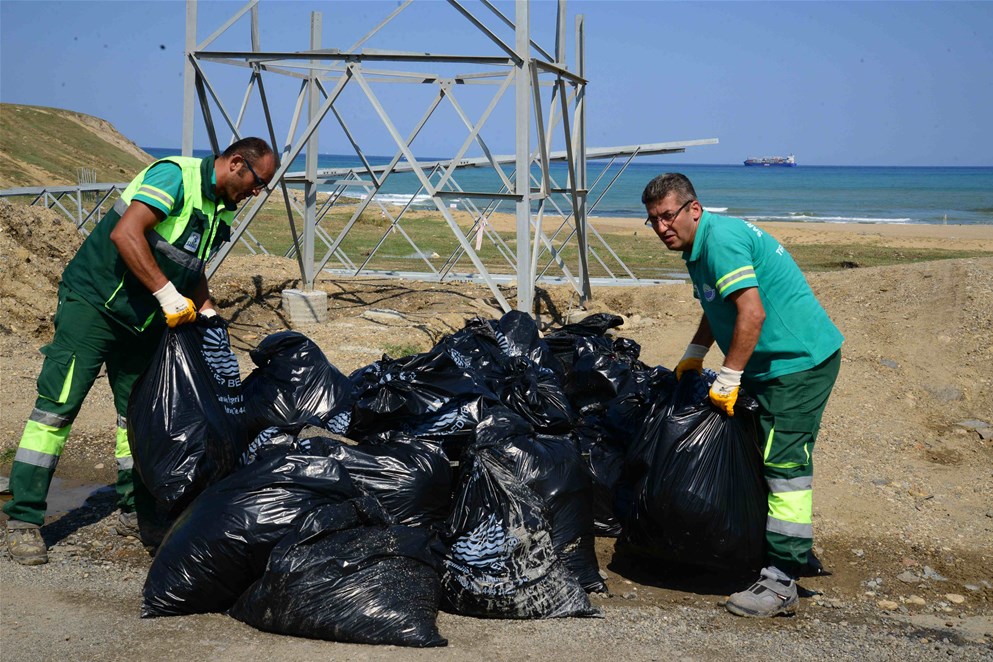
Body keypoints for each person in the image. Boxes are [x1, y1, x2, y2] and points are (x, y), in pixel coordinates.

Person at [3, 137, 278, 565]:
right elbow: (125, 233)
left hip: (144, 318)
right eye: (258, 182)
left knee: (139, 416)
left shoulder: (219, 208)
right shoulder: (174, 178)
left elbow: (191, 263)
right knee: (57, 407)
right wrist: (168, 295)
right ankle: (23, 519)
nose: (256, 192)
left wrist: (206, 310)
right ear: (237, 163)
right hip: (95, 305)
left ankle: (135, 512)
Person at [642, 173, 843, 617]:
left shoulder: (722, 242)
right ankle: (769, 543)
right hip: (765, 362)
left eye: (667, 216)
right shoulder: (699, 245)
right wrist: (695, 354)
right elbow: (719, 306)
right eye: (653, 221)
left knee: (785, 463)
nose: (661, 229)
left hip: (800, 363)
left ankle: (782, 580)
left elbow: (751, 313)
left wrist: (729, 376)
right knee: (753, 451)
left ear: (693, 208)